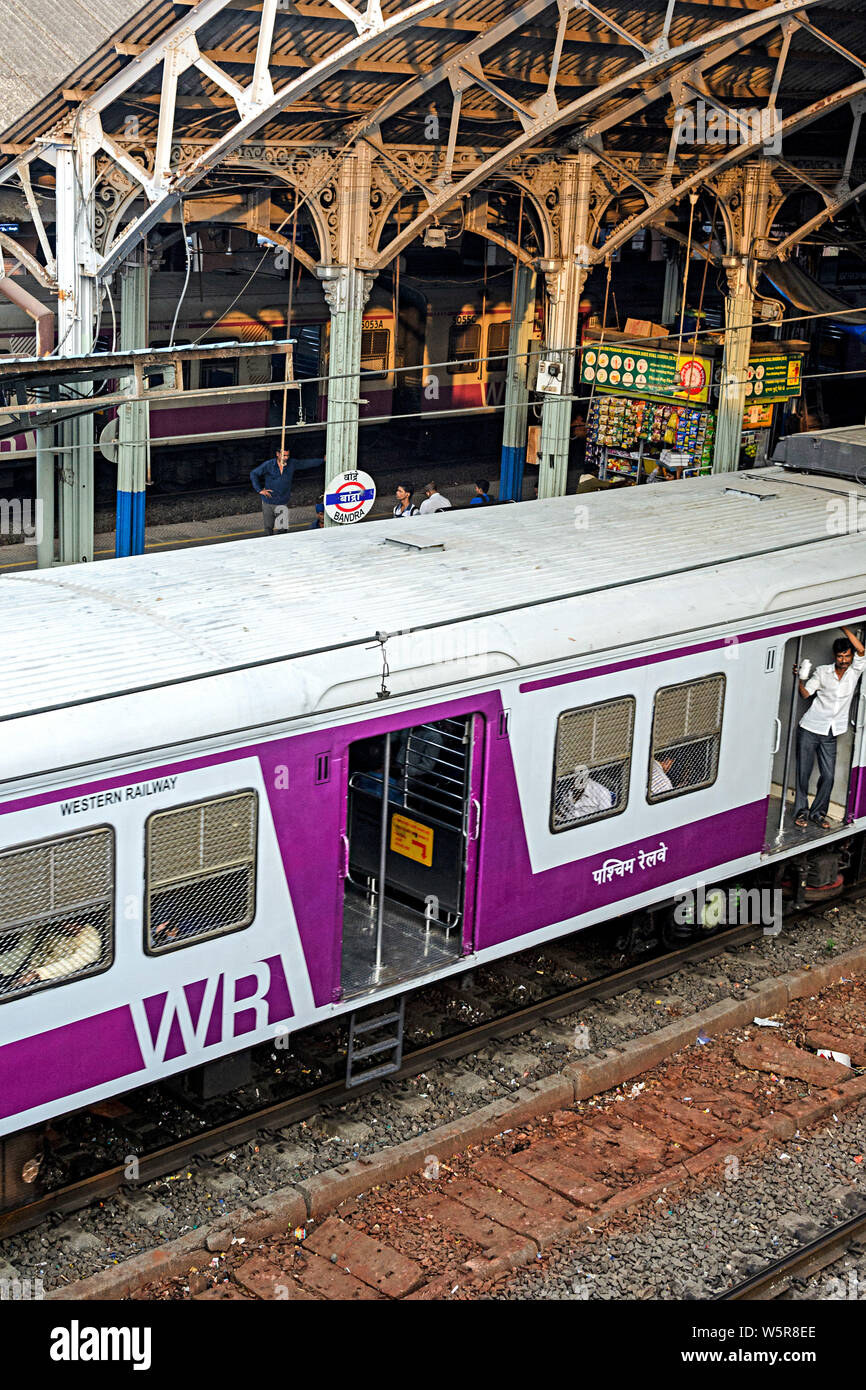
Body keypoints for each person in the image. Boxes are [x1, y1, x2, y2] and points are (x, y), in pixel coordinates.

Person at [793, 626, 865, 829]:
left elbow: (862, 650)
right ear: (835, 656)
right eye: (841, 656)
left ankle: (818, 813)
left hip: (831, 732)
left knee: (829, 776)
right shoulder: (823, 672)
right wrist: (801, 679)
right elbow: (806, 694)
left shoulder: (854, 672)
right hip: (809, 728)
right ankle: (801, 813)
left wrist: (843, 627)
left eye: (847, 656)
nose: (844, 660)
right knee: (803, 774)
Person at [250, 447, 323, 534]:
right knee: (268, 529)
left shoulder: (291, 464)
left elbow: (305, 463)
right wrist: (259, 490)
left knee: (282, 529)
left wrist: (322, 460)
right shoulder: (269, 465)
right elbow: (254, 473)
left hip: (282, 502)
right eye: (284, 455)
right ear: (278, 454)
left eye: (287, 455)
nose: (286, 458)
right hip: (268, 502)